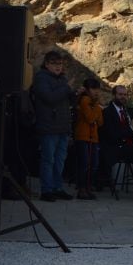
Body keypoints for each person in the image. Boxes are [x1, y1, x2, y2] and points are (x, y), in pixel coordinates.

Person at [32, 51, 76, 202]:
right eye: (55, 63)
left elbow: (67, 100)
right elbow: (49, 98)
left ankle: (57, 188)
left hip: (63, 127)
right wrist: (66, 88)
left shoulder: (62, 79)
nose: (58, 67)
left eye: (60, 64)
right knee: (48, 160)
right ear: (46, 64)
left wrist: (74, 92)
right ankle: (47, 190)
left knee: (60, 161)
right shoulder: (41, 78)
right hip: (48, 127)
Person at [98, 85, 133, 203]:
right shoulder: (108, 112)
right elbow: (113, 135)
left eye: (125, 95)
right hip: (114, 148)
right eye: (120, 94)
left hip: (127, 147)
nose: (123, 97)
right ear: (114, 95)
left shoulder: (125, 110)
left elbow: (130, 130)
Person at [74, 78, 103, 200]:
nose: (96, 92)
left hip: (93, 138)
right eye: (93, 89)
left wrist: (96, 110)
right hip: (83, 136)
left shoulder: (93, 102)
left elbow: (100, 122)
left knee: (93, 164)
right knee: (84, 164)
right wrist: (97, 107)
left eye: (97, 89)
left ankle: (88, 187)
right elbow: (91, 118)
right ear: (87, 89)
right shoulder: (85, 100)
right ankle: (82, 189)